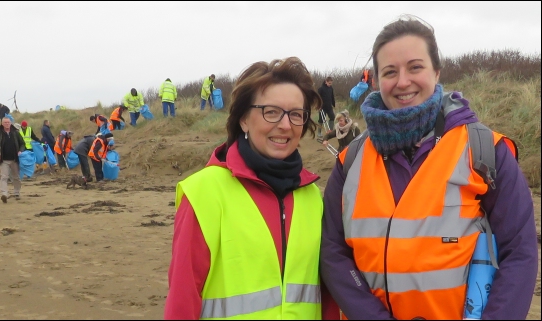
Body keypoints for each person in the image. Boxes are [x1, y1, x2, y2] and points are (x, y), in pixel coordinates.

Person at [320, 15, 538, 320]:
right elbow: (333, 253)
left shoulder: (485, 150)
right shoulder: (350, 161)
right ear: (377, 80)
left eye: (415, 67)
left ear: (436, 71)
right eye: (390, 71)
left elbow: (520, 252)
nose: (403, 81)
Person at [164, 57, 338, 320]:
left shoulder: (312, 196)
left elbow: (327, 299)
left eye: (296, 114)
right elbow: (182, 301)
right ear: (244, 119)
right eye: (271, 112)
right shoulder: (204, 193)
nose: (285, 125)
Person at [0, 117, 25, 203]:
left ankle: (17, 192)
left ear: (11, 123)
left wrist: (20, 151)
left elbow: (22, 143)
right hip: (3, 160)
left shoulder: (15, 133)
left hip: (15, 159)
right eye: (5, 122)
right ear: (2, 124)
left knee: (16, 177)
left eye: (8, 122)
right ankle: (4, 194)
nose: (7, 124)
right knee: (4, 177)